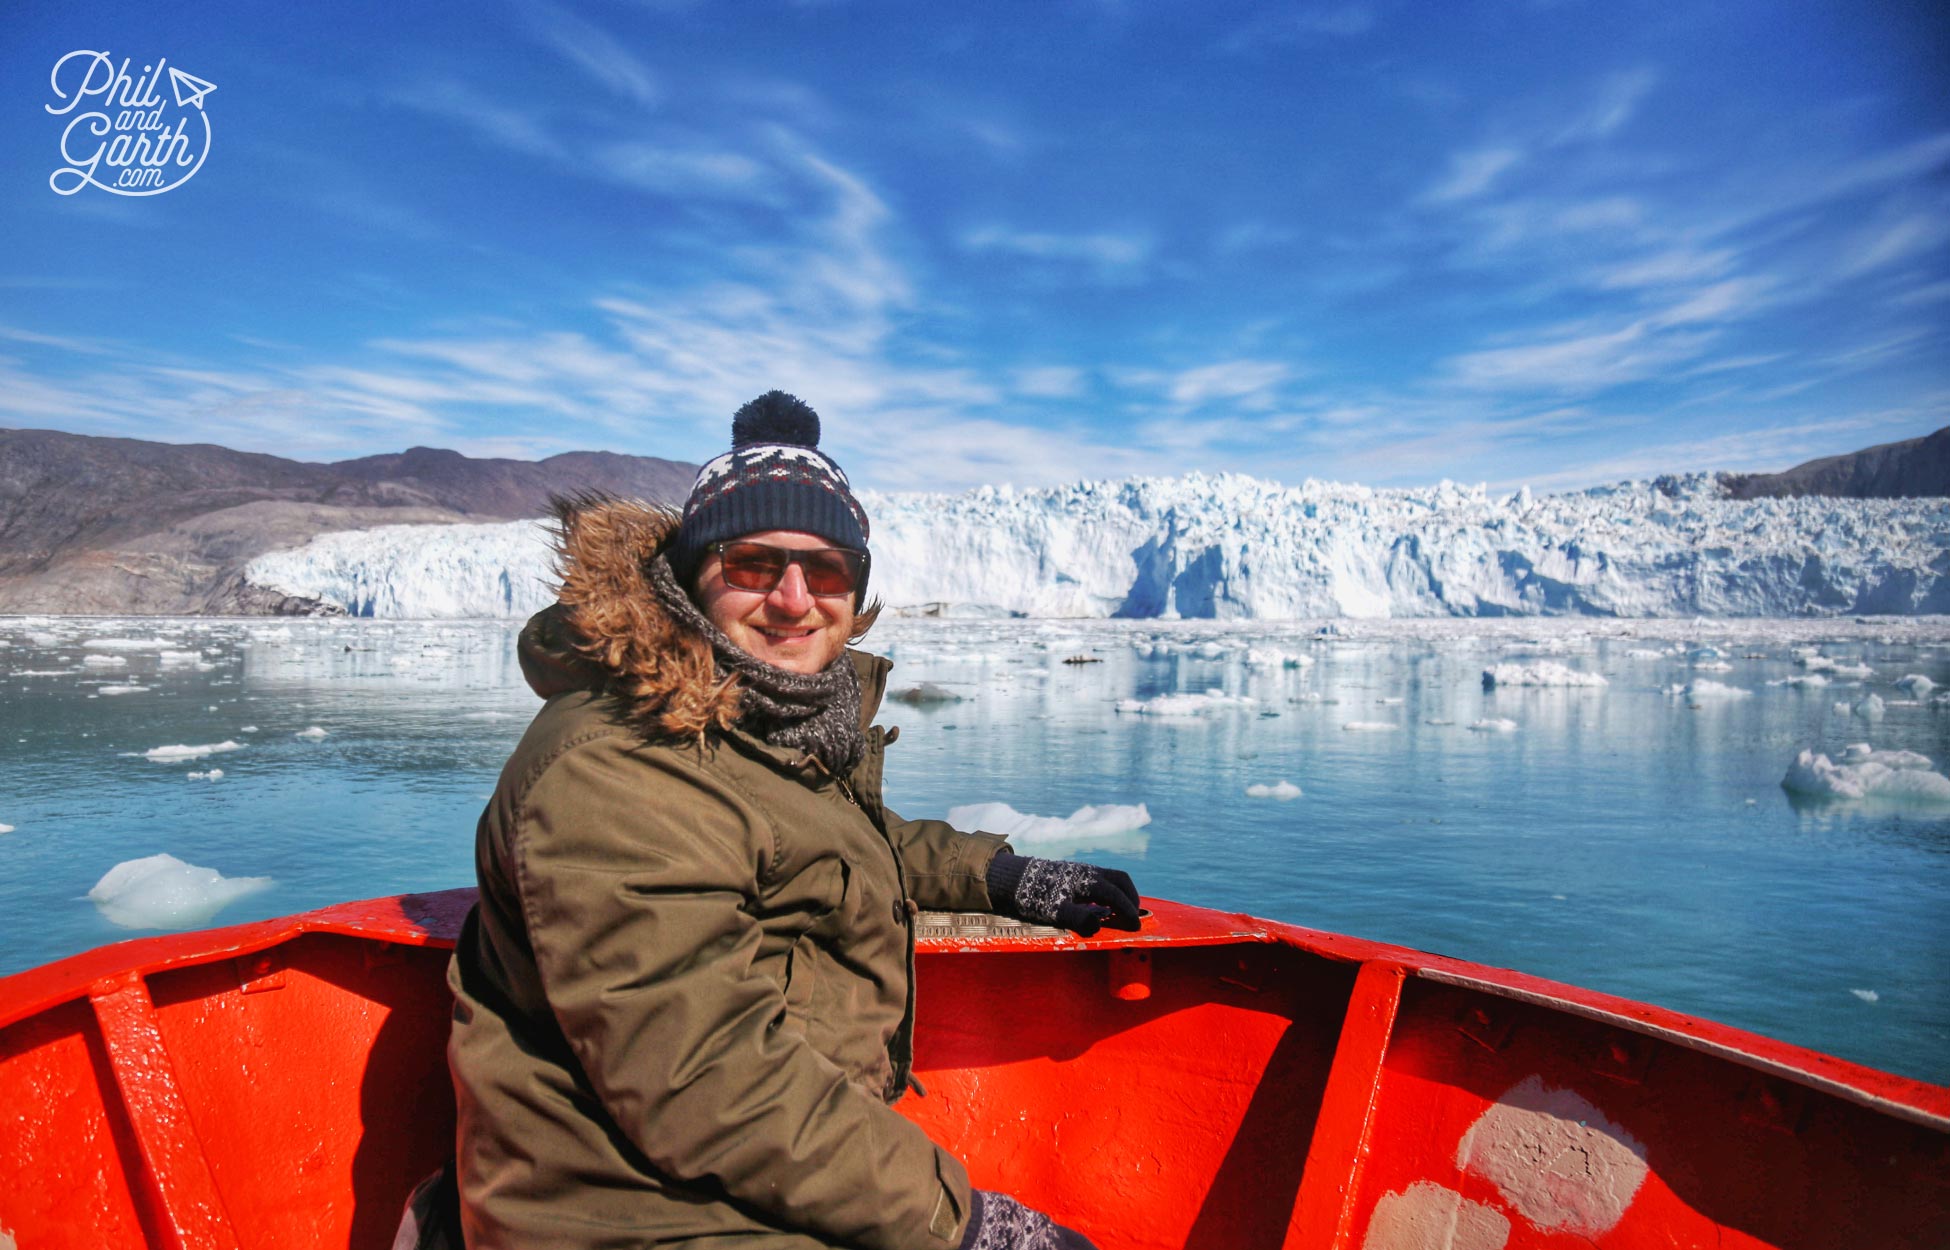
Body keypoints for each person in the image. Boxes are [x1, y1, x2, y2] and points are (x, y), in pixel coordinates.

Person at [445, 391, 1143, 1250]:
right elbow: (704, 1078)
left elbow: (828, 842)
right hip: (638, 1216)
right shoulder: (617, 765)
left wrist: (999, 875)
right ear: (689, 577)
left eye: (829, 570)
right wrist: (963, 1228)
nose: (793, 599)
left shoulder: (751, 720)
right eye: (751, 565)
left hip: (736, 1183)